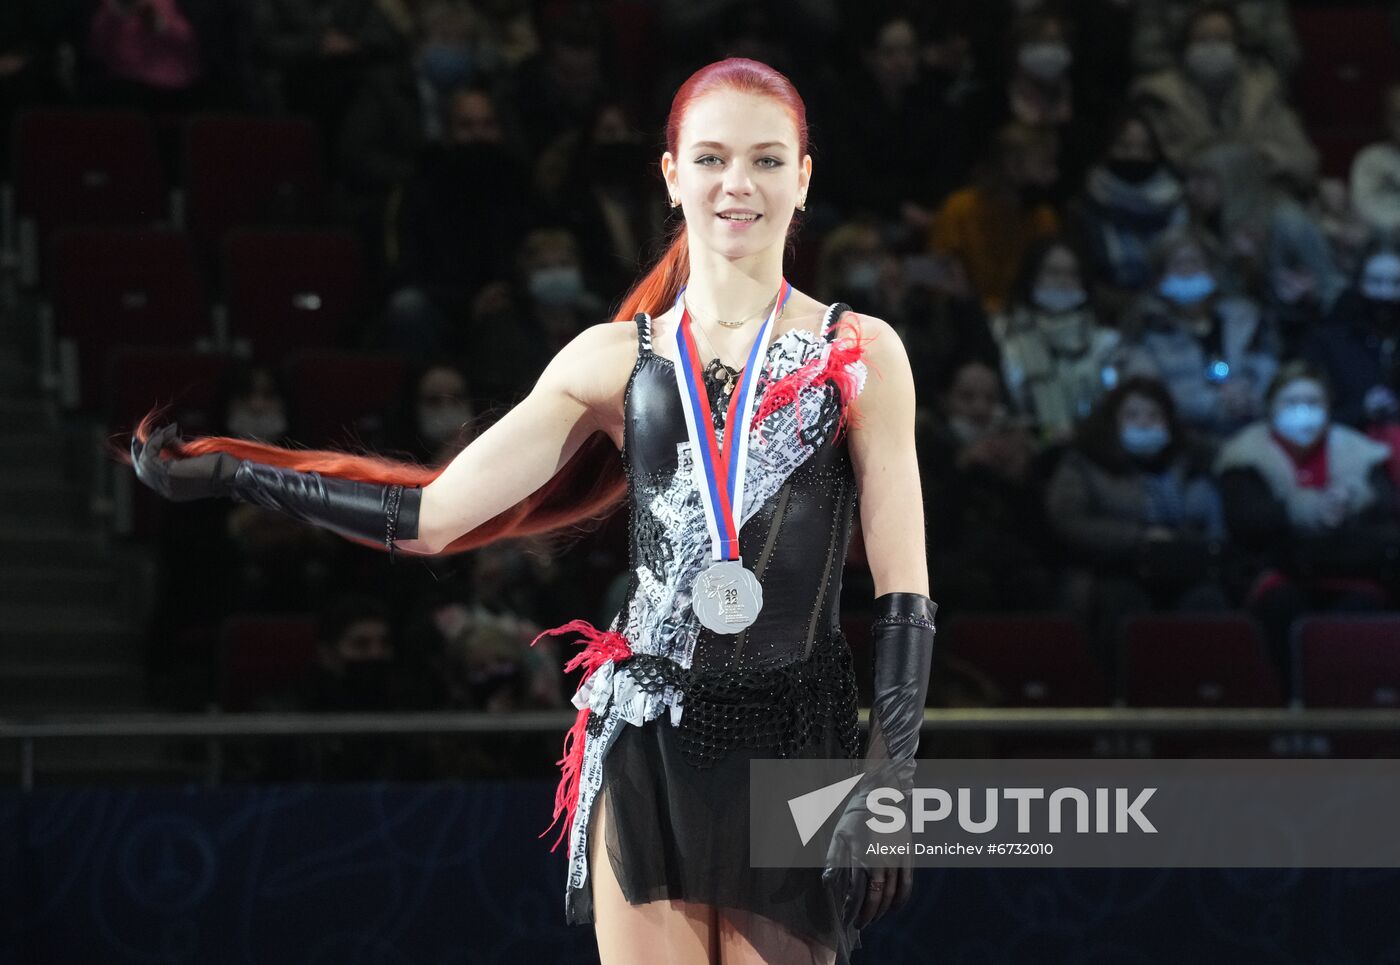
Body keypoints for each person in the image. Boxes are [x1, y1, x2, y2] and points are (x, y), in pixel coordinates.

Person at [124, 57, 934, 965]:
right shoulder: (605, 359)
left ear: (804, 175)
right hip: (648, 731)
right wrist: (241, 470)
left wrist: (889, 780)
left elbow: (905, 592)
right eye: (709, 159)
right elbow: (431, 516)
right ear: (670, 176)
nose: (736, 185)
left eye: (765, 160)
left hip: (797, 737)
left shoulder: (861, 351)